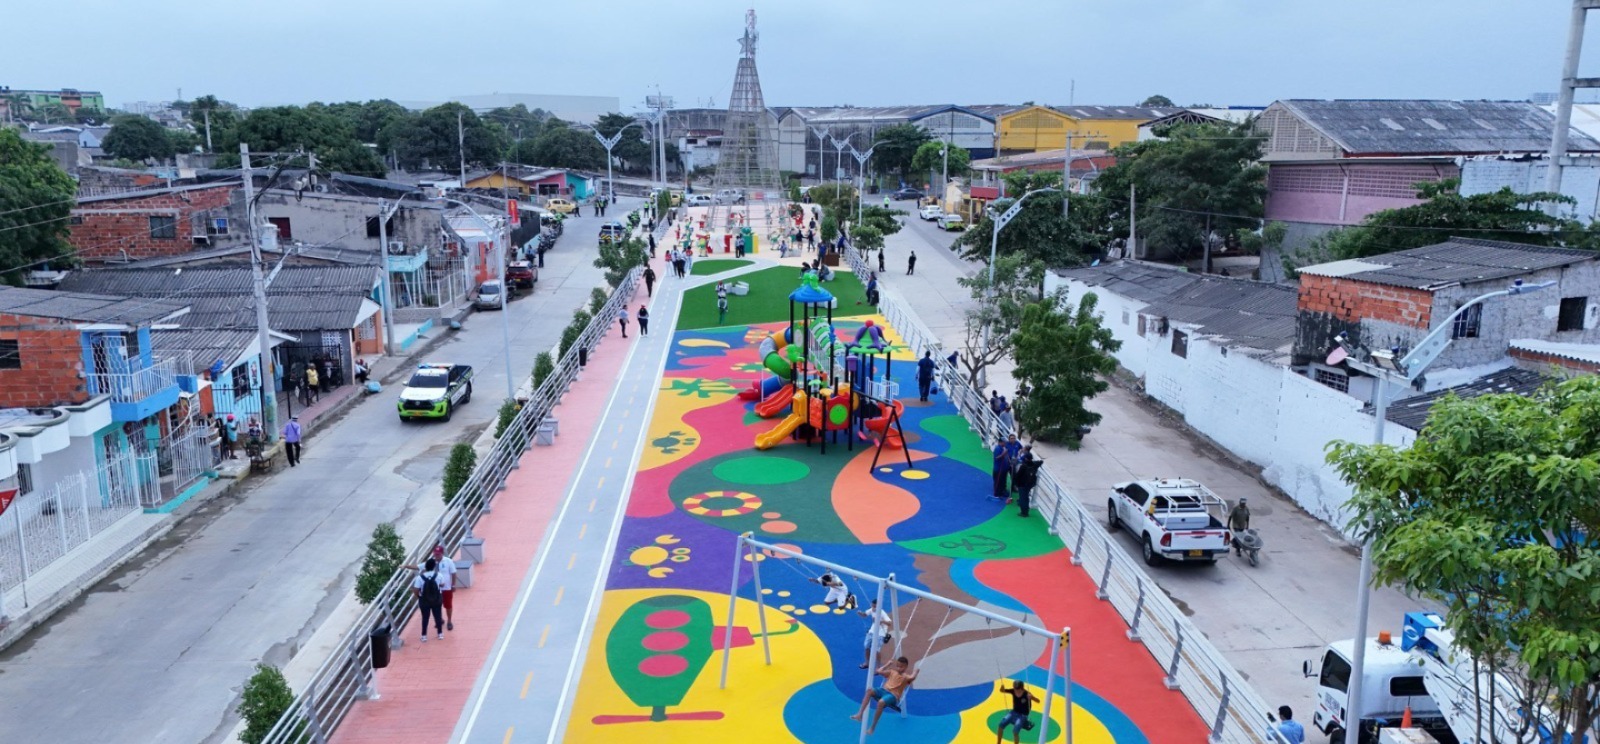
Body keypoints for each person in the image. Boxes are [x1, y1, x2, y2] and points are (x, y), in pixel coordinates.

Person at [849, 656, 919, 735]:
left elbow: (912, 677)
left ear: (906, 667)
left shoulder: (906, 677)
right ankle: (860, 714)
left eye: (901, 667)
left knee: (881, 702)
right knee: (869, 691)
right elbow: (879, 671)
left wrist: (915, 672)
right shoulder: (892, 672)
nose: (899, 668)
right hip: (884, 691)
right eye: (897, 666)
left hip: (893, 696)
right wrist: (887, 664)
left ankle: (872, 727)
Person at [413, 558, 447, 642]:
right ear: (434, 566)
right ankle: (440, 634)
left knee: (425, 617)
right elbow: (442, 585)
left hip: (424, 600)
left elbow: (416, 589)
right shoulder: (438, 575)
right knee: (438, 616)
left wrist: (419, 597)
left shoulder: (420, 577)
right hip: (437, 599)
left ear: (425, 567)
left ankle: (424, 635)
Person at [857, 598, 895, 669]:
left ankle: (878, 667)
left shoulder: (882, 613)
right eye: (872, 606)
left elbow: (889, 623)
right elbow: (865, 615)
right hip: (872, 631)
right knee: (866, 646)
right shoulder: (872, 609)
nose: (873, 608)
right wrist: (860, 613)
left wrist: (881, 621)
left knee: (876, 650)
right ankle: (867, 663)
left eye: (874, 606)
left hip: (880, 634)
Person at [1013, 447, 1041, 517]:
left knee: (1023, 498)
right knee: (1026, 497)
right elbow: (1041, 462)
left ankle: (1024, 513)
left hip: (1022, 484)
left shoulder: (1023, 466)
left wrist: (1016, 483)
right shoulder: (1034, 464)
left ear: (1025, 458)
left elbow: (1018, 476)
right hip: (1030, 484)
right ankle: (1025, 510)